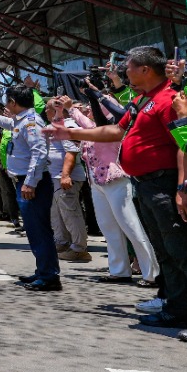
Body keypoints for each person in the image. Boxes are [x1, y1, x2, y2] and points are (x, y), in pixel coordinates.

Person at [47, 46, 187, 343]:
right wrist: (70, 134)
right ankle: (178, 309)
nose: (125, 73)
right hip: (146, 185)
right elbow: (114, 131)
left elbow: (183, 145)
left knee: (186, 254)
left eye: (129, 67)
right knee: (167, 253)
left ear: (146, 69)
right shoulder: (141, 100)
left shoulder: (168, 100)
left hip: (165, 185)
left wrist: (183, 187)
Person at [66, 97, 159, 287]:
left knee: (131, 226)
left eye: (92, 106)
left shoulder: (110, 128)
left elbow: (89, 126)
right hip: (97, 183)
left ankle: (152, 273)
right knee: (109, 227)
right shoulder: (92, 128)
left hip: (116, 180)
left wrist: (71, 109)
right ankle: (119, 270)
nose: (87, 109)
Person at [0, 84, 58, 291]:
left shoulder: (30, 123)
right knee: (34, 230)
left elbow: (39, 154)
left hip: (33, 184)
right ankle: (43, 271)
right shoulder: (21, 121)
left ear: (13, 102)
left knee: (39, 230)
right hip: (27, 182)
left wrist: (30, 182)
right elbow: (8, 123)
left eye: (7, 101)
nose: (6, 106)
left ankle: (49, 276)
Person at [44, 97, 91, 263]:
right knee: (57, 212)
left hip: (66, 178)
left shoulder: (70, 125)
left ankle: (79, 248)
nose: (45, 110)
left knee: (71, 213)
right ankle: (62, 242)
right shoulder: (58, 124)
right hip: (55, 177)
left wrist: (65, 175)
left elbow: (71, 152)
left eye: (48, 107)